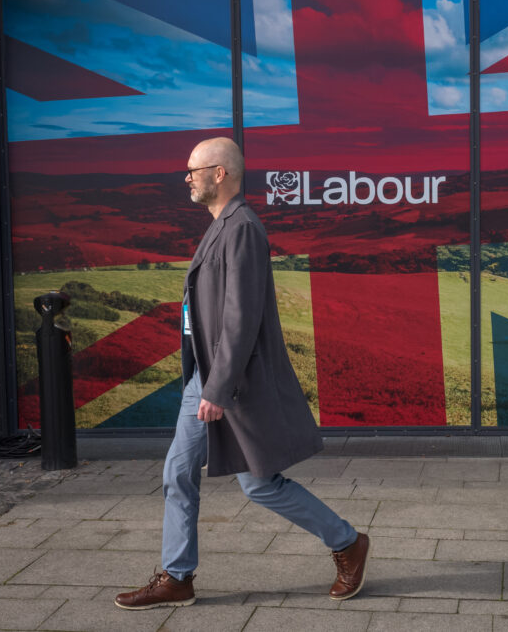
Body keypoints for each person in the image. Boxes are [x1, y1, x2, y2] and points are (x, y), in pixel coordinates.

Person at [115, 137, 369, 610]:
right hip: (206, 378)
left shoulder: (244, 228)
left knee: (259, 485)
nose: (186, 178)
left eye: (194, 170)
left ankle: (348, 542)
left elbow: (241, 316)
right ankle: (177, 577)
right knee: (177, 472)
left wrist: (219, 387)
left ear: (221, 173)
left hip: (230, 383)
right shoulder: (221, 226)